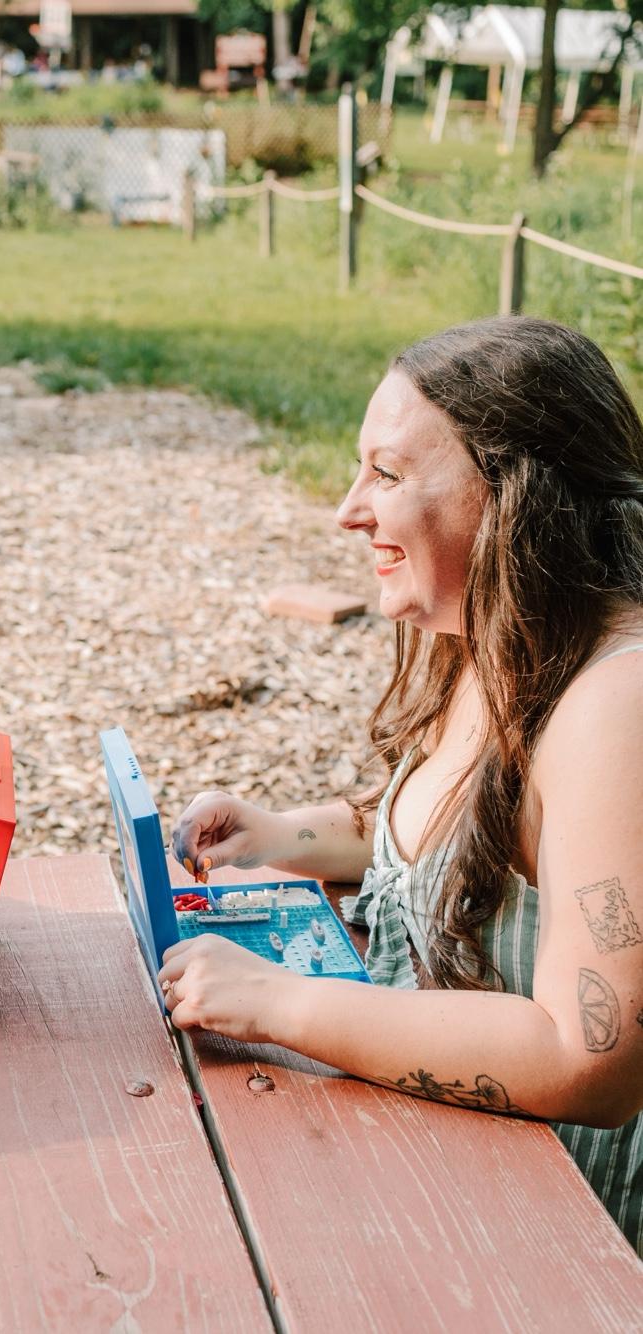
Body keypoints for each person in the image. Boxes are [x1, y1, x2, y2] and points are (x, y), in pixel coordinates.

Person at [164, 315, 643, 1254]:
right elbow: (483, 826)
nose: (348, 510)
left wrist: (278, 1004)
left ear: (515, 494)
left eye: (385, 474)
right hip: (457, 1176)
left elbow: (592, 1062)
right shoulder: (501, 639)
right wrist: (290, 837)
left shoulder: (616, 705)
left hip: (559, 1252)